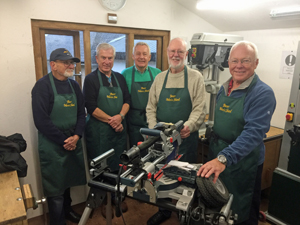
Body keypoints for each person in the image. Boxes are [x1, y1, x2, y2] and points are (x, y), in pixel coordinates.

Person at [197, 41, 276, 224]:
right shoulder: (225, 88)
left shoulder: (262, 93)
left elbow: (253, 134)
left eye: (245, 61)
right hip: (218, 156)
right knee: (219, 205)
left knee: (241, 210)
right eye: (234, 61)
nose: (239, 66)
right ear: (229, 63)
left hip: (243, 163)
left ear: (256, 63)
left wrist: (224, 158)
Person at [146, 37, 206, 225]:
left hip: (185, 139)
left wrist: (189, 125)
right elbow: (150, 107)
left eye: (180, 51)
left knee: (185, 176)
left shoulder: (195, 77)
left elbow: (199, 108)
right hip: (162, 141)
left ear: (186, 54)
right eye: (172, 51)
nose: (175, 55)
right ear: (167, 53)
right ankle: (163, 210)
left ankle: (184, 212)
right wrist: (154, 130)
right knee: (160, 176)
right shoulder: (160, 78)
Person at [32, 48, 86, 225]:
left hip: (73, 141)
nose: (71, 65)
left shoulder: (74, 85)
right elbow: (41, 121)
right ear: (53, 65)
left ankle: (68, 210)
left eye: (72, 62)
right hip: (52, 145)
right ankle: (57, 221)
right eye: (66, 62)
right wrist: (64, 141)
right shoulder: (42, 86)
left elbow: (81, 114)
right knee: (55, 189)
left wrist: (77, 136)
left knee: (67, 181)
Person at [83, 43, 130, 217]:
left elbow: (127, 100)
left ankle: (118, 198)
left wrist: (121, 117)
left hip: (118, 131)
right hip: (99, 133)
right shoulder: (90, 79)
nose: (107, 61)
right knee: (101, 168)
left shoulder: (119, 77)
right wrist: (112, 120)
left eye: (110, 58)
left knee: (118, 165)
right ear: (97, 59)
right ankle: (104, 202)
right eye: (103, 58)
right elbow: (91, 107)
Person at [121, 42, 161, 148]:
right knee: (136, 154)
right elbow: (122, 99)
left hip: (154, 121)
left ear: (149, 57)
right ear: (133, 56)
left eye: (144, 54)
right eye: (138, 54)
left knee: (155, 153)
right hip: (134, 123)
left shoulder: (158, 73)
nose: (141, 57)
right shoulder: (125, 74)